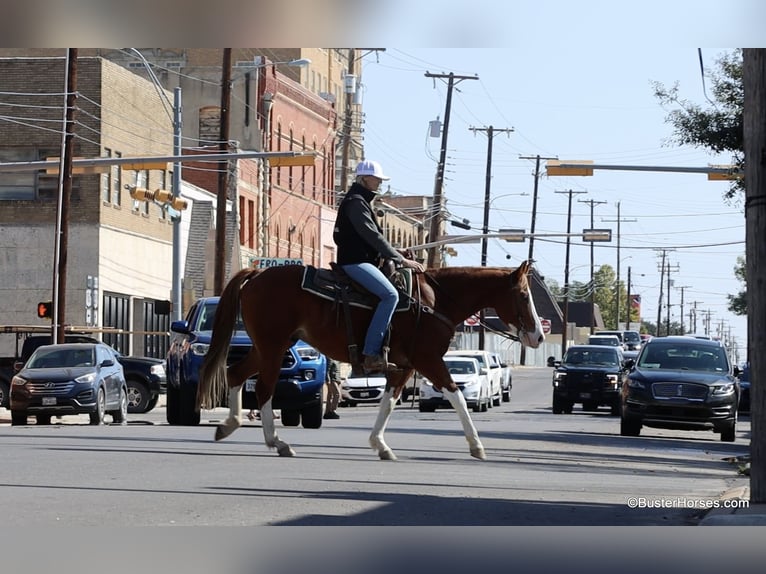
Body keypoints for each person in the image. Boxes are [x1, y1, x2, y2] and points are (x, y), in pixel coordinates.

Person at [333, 160, 425, 373]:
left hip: (363, 259)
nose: (379, 183)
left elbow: (374, 239)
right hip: (354, 262)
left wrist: (395, 252)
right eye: (376, 179)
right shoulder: (356, 202)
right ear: (365, 178)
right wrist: (401, 260)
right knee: (390, 295)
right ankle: (371, 353)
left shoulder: (361, 201)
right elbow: (371, 235)